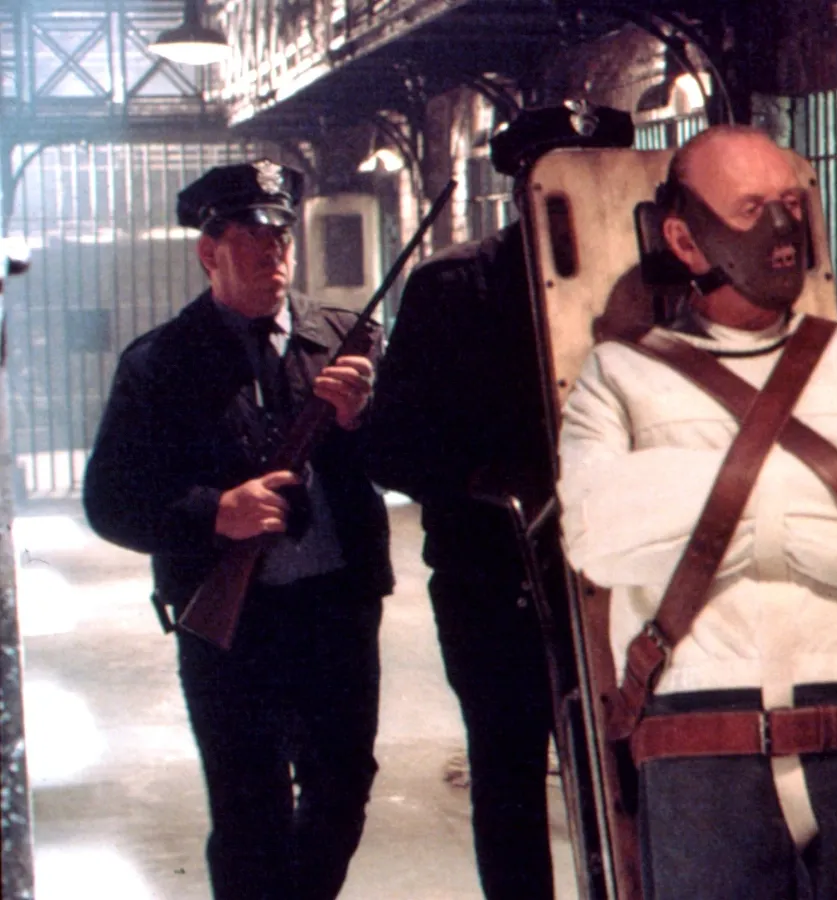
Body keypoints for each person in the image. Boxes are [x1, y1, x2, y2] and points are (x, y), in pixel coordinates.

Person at [556, 125, 837, 900]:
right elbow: (600, 536)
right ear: (683, 235)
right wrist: (833, 505)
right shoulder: (621, 376)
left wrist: (705, 506)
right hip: (699, 732)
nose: (780, 229)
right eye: (749, 208)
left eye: (788, 203)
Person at [83, 160, 391, 900]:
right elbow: (110, 500)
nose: (271, 251)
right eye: (250, 235)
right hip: (232, 628)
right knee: (248, 811)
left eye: (280, 234)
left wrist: (362, 422)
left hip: (336, 617)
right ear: (207, 251)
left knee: (343, 791)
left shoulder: (346, 339)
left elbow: (408, 458)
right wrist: (214, 513)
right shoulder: (159, 364)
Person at [363, 104, 633, 899]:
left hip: (625, 581)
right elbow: (391, 448)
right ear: (523, 187)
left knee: (625, 775)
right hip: (494, 585)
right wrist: (491, 478)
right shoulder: (454, 289)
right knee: (510, 778)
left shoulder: (650, 284)